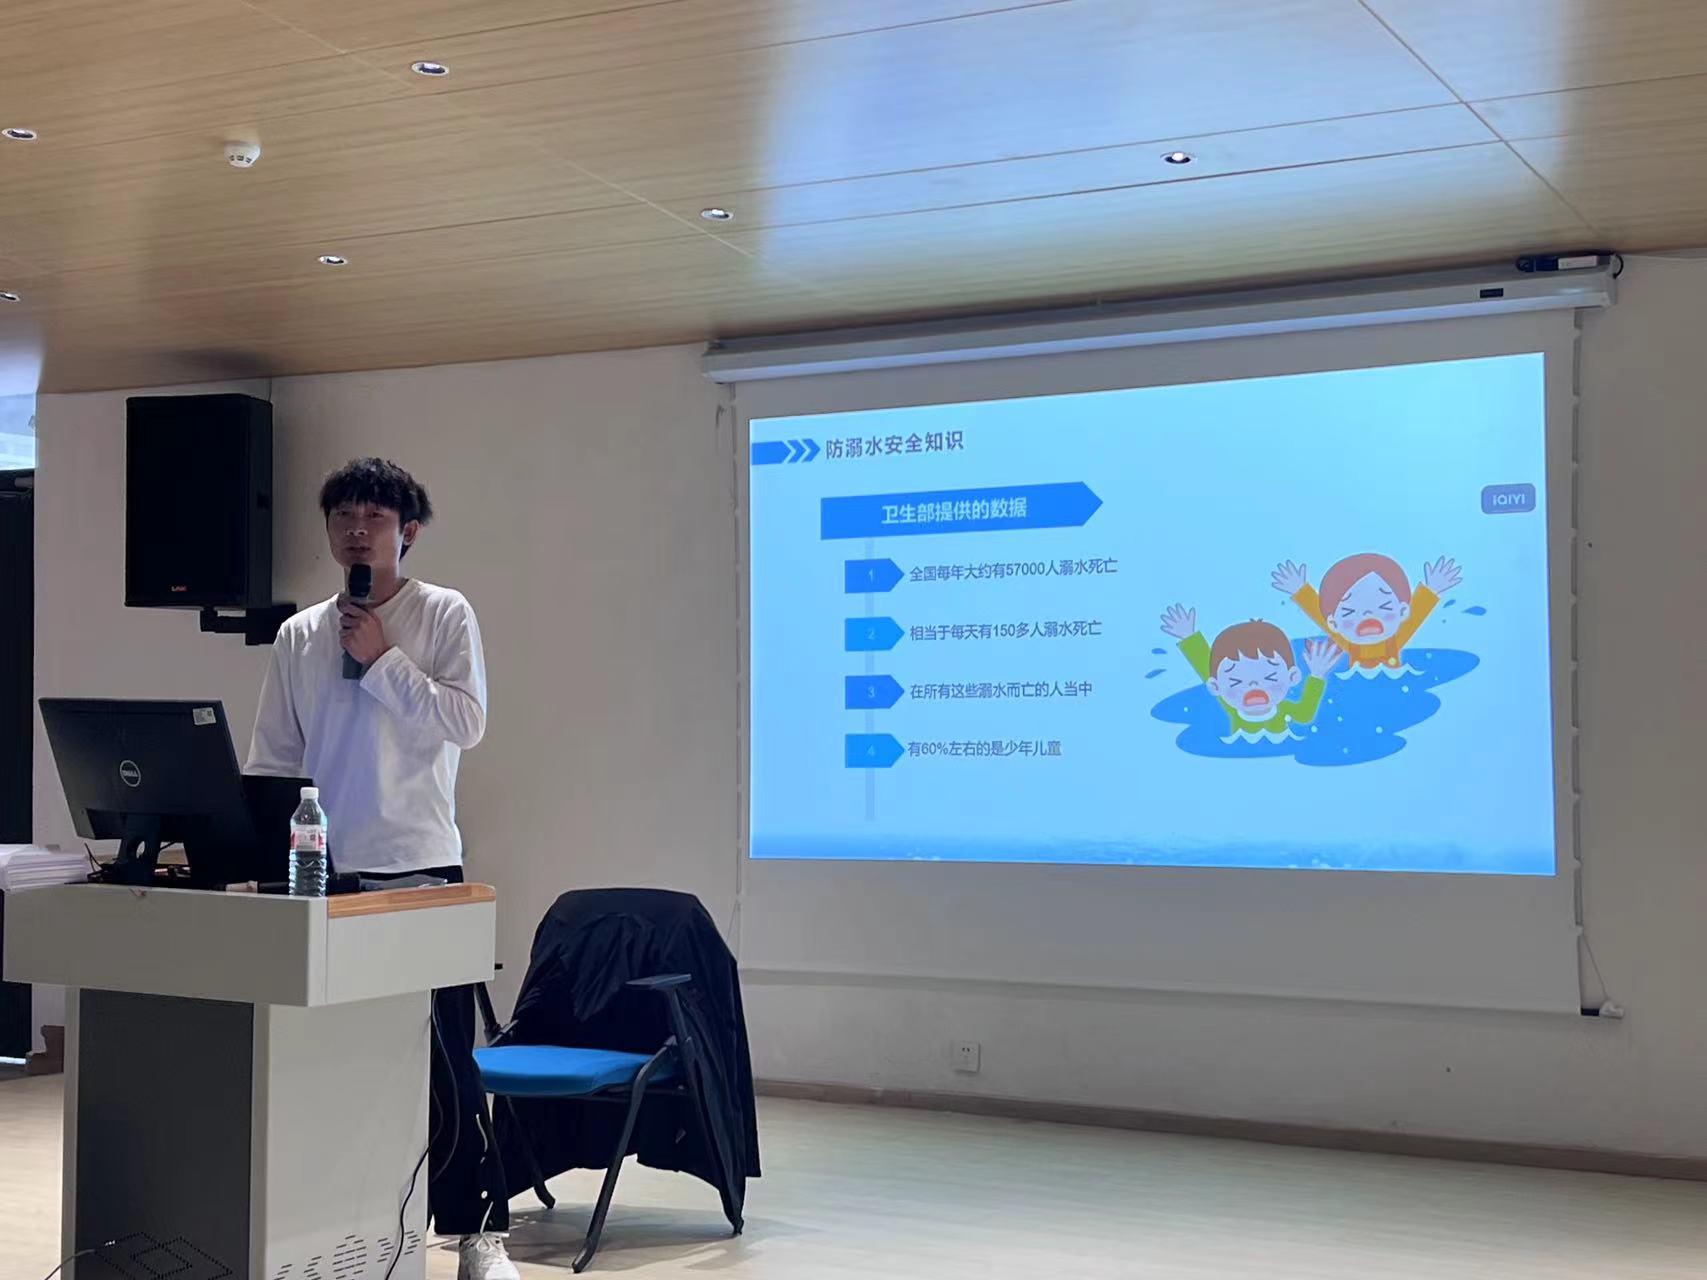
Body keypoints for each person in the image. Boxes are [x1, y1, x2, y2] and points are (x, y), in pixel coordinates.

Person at [247, 457, 517, 1280]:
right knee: (332, 1060)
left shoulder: (442, 613)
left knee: (442, 1063)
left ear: (408, 532)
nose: (357, 531)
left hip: (419, 869)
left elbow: (465, 723)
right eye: (343, 517)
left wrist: (384, 658)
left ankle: (477, 1235)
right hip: (322, 875)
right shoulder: (300, 634)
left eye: (374, 518)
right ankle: (345, 1225)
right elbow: (275, 756)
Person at [1161, 606, 1342, 738]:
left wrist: (1317, 675)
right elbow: (1205, 667)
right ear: (1215, 687)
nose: (1253, 685)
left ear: (1293, 677)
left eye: (1270, 677)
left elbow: (1306, 714)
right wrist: (1189, 637)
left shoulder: (1285, 710)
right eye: (1236, 681)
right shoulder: (1232, 710)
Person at [1272, 554, 1462, 673]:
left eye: (1384, 607)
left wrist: (1432, 589)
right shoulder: (1350, 643)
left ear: (1403, 611)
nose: (1368, 614)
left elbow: (1416, 615)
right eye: (1349, 612)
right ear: (1334, 624)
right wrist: (1301, 591)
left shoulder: (1396, 640)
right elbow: (1320, 615)